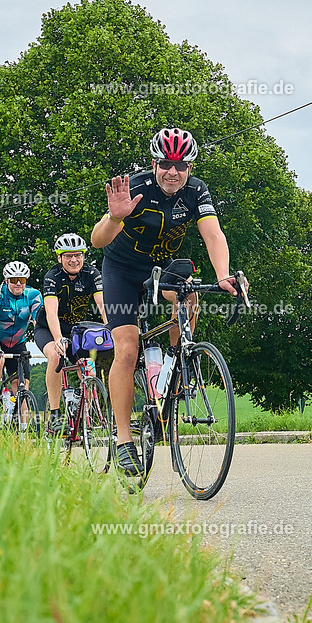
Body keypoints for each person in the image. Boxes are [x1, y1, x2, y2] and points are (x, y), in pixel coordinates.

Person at [90, 127, 243, 475]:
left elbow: (213, 234)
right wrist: (115, 217)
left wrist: (223, 274)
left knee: (189, 296)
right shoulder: (136, 187)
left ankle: (178, 363)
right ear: (154, 164)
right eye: (165, 164)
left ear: (190, 167)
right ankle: (124, 440)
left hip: (162, 267)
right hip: (122, 271)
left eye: (181, 165)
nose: (173, 172)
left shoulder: (196, 191)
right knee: (127, 349)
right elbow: (98, 241)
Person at [33, 233, 108, 434]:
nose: (74, 260)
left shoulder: (92, 274)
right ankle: (55, 414)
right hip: (48, 328)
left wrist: (112, 328)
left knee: (89, 368)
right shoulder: (52, 276)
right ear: (60, 258)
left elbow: (103, 305)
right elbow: (51, 312)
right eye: (68, 256)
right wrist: (58, 338)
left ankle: (84, 418)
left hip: (76, 330)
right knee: (56, 355)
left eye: (78, 255)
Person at [0, 261, 42, 419]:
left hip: (17, 343)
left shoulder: (33, 295)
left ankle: (23, 430)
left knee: (22, 386)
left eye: (22, 280)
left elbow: (39, 323)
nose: (18, 283)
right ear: (6, 280)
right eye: (14, 280)